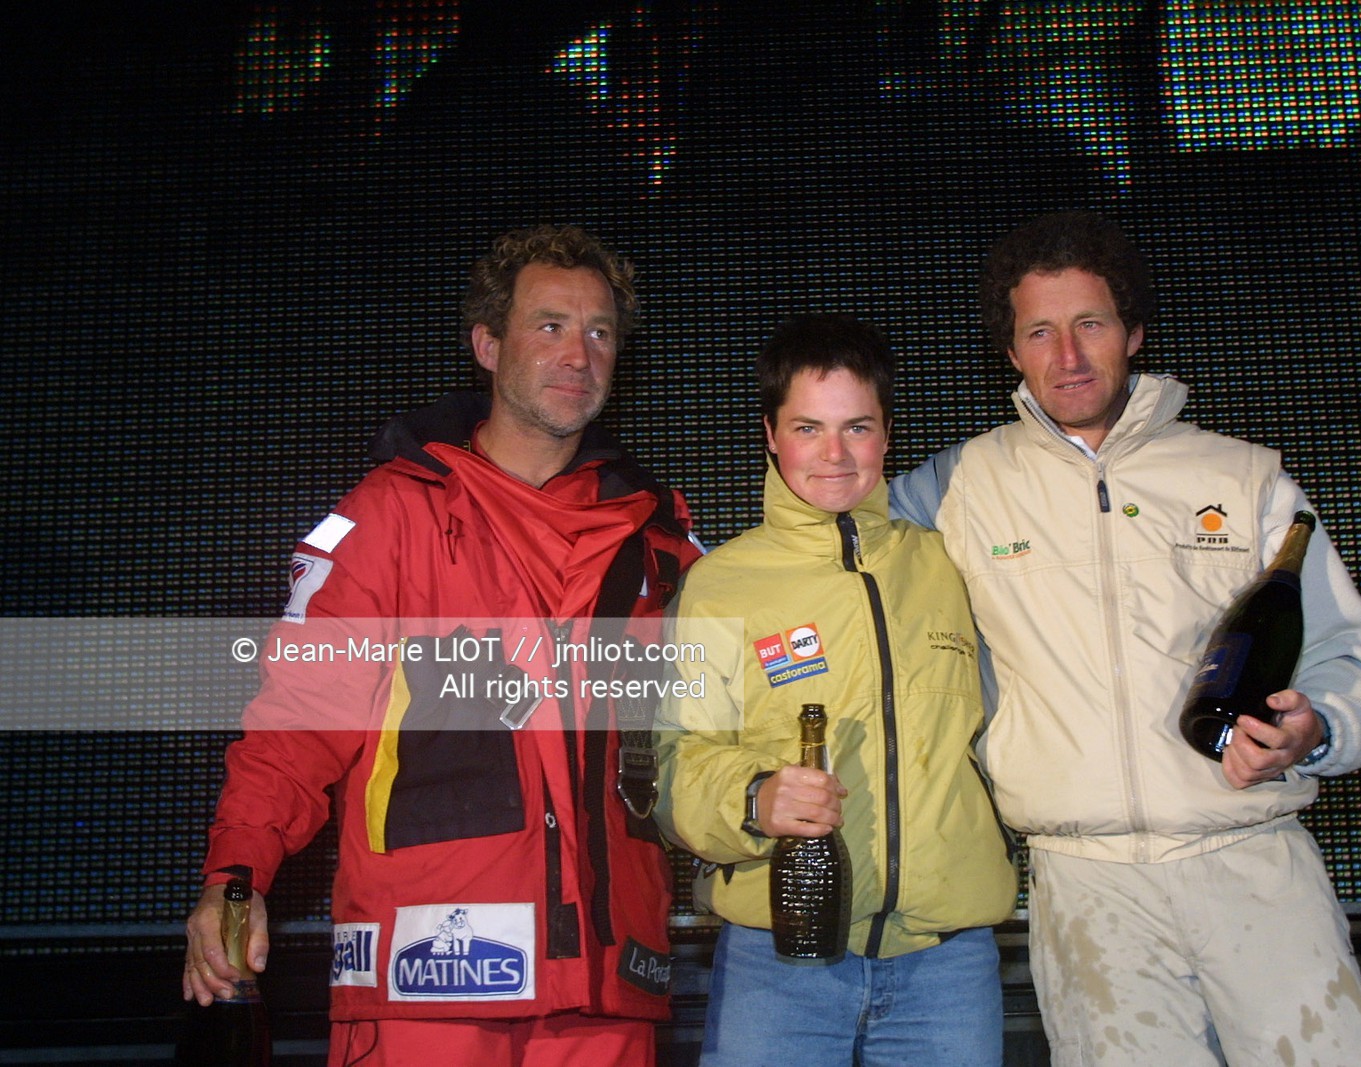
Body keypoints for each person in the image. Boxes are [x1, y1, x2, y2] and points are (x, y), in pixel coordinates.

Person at [181, 225, 703, 1066]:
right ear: (487, 344)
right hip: (428, 982)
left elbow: (709, 735)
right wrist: (236, 876)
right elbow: (300, 718)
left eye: (600, 331)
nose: (579, 352)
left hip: (608, 988)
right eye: (551, 325)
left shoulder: (660, 540)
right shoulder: (390, 517)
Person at [890, 212, 1361, 1066]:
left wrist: (1316, 730)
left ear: (1133, 332)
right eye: (1039, 332)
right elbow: (818, 525)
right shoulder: (963, 485)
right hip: (1085, 883)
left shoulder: (1245, 477)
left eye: (1090, 324)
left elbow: (1346, 653)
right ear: (1009, 352)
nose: (1068, 355)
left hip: (1253, 860)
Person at [653, 314, 1017, 1065]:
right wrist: (752, 799)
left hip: (946, 964)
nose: (834, 454)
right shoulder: (719, 583)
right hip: (778, 962)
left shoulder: (949, 566)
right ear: (770, 434)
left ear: (886, 434)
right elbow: (670, 767)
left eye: (857, 427)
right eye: (808, 427)